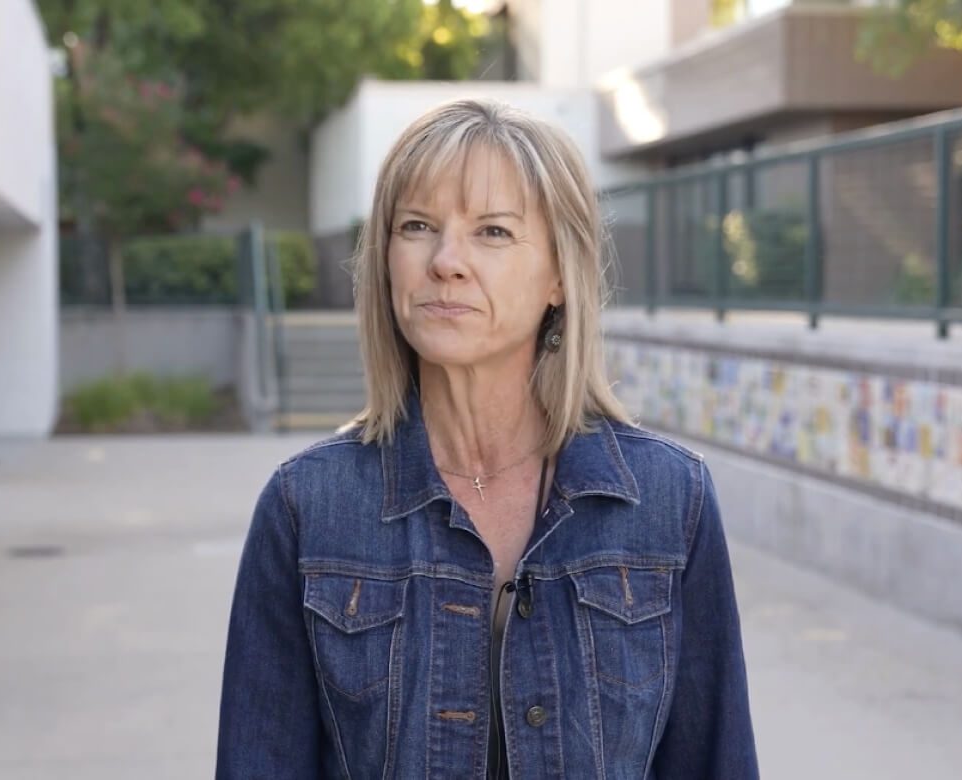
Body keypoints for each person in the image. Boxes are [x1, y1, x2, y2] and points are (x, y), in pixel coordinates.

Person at [216, 98, 758, 779]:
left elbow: (715, 762)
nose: (446, 261)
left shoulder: (667, 500)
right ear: (385, 262)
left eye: (493, 232)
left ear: (561, 275)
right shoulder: (307, 506)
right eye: (417, 226)